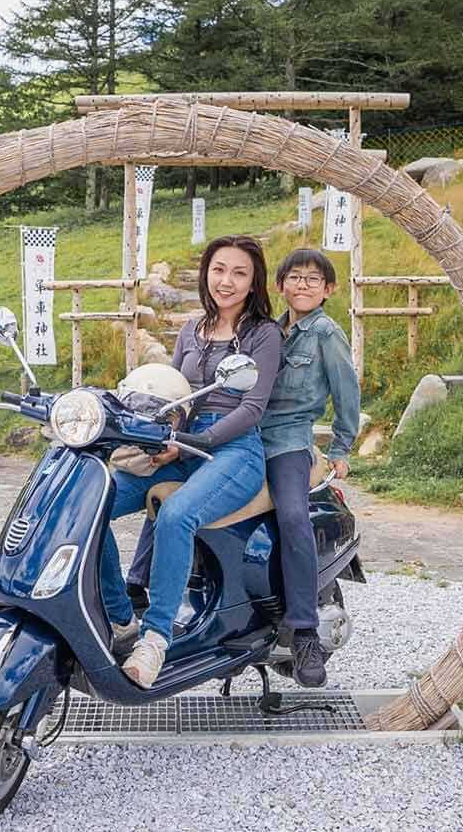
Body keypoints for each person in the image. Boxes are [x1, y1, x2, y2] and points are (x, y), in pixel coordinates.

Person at [99, 235, 281, 689]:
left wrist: (194, 439)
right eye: (219, 269)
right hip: (181, 443)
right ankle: (122, 618)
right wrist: (156, 435)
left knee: (178, 515)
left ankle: (156, 638)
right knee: (91, 500)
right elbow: (172, 396)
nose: (227, 281)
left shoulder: (264, 334)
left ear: (254, 279)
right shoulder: (191, 330)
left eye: (240, 272)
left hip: (235, 450)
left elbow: (251, 409)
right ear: (207, 273)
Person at [260, 248, 360, 687]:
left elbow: (347, 392)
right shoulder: (266, 329)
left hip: (289, 442)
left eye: (313, 279)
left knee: (294, 518)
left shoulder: (325, 333)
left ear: (329, 289)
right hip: (244, 436)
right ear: (280, 285)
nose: (302, 285)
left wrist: (340, 448)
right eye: (294, 277)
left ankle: (303, 632)